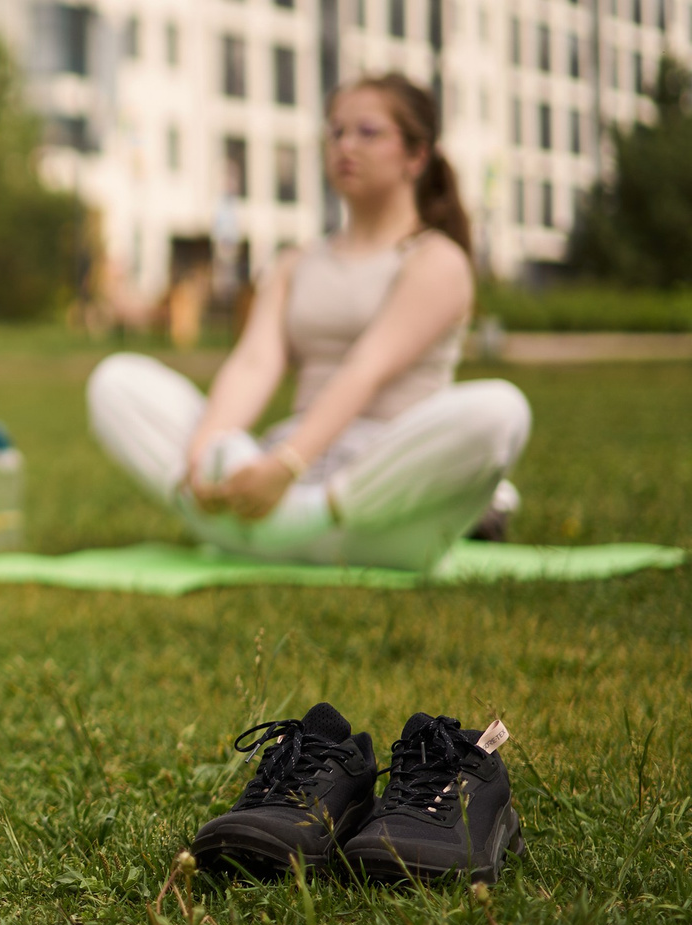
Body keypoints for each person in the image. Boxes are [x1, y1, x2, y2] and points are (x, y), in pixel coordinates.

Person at [88, 74, 530, 573]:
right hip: (286, 476)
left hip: (382, 500)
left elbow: (366, 368)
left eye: (368, 132)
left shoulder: (436, 261)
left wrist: (285, 467)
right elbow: (254, 364)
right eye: (336, 132)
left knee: (501, 410)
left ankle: (294, 522)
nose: (346, 145)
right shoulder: (296, 263)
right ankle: (223, 501)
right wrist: (202, 455)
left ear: (416, 157)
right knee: (117, 381)